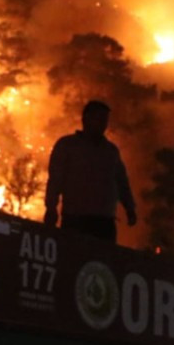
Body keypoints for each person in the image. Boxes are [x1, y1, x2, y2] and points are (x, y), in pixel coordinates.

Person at [43, 100, 137, 243]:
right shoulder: (68, 146)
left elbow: (121, 181)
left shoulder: (110, 151)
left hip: (105, 221)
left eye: (105, 120)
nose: (103, 124)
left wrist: (129, 208)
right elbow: (56, 179)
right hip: (76, 218)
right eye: (99, 119)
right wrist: (51, 208)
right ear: (86, 119)